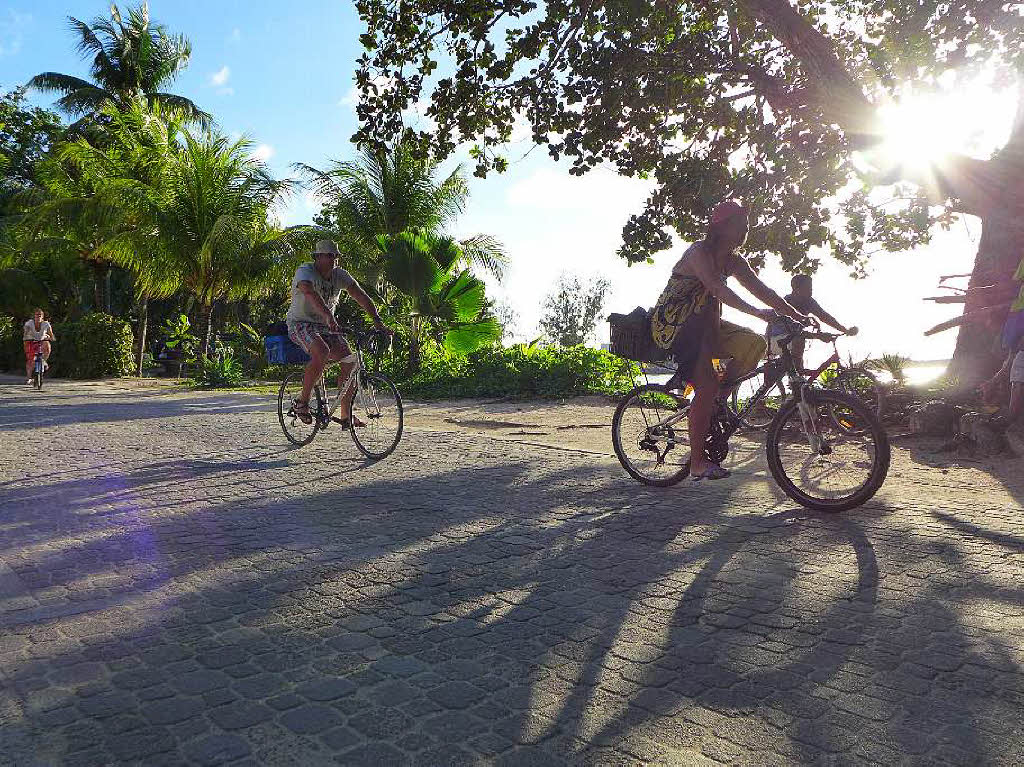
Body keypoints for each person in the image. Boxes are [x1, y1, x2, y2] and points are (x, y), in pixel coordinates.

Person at [650, 200, 809, 481]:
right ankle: (697, 462)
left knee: (754, 344)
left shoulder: (735, 261)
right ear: (721, 227)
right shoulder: (698, 252)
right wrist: (756, 312)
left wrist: (797, 316)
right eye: (739, 223)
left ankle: (717, 398)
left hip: (707, 325)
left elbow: (764, 291)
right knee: (708, 384)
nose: (745, 229)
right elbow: (715, 286)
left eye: (746, 224)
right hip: (677, 326)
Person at [286, 239, 392, 425]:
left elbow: (360, 295)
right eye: (328, 255)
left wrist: (378, 322)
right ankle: (302, 402)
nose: (333, 259)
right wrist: (328, 316)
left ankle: (345, 414)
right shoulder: (305, 271)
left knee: (350, 361)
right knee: (321, 352)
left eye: (335, 256)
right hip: (300, 324)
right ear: (317, 257)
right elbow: (309, 293)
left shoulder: (340, 275)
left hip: (326, 326)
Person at [770, 274, 857, 370]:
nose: (811, 290)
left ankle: (798, 377)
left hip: (793, 340)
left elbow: (824, 316)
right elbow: (791, 331)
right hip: (776, 339)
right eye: (807, 288)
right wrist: (818, 336)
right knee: (798, 342)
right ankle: (797, 377)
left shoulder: (809, 301)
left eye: (811, 287)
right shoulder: (786, 302)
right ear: (796, 288)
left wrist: (844, 330)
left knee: (798, 348)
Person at [23, 308, 55, 384]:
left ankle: (44, 361)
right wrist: (27, 337)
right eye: (36, 315)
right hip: (31, 341)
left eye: (40, 315)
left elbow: (51, 334)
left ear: (42, 317)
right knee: (30, 360)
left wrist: (52, 338)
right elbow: (25, 333)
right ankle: (29, 377)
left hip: (42, 340)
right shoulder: (29, 323)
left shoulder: (46, 324)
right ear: (34, 316)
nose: (38, 317)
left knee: (47, 346)